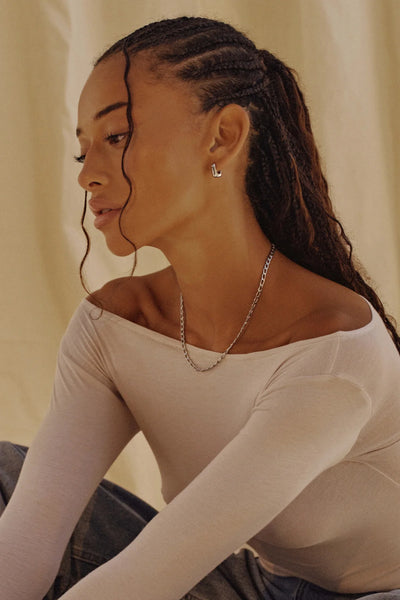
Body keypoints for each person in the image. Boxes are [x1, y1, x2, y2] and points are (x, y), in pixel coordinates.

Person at [0, 14, 399, 600]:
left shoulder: (332, 351)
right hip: (260, 585)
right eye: (82, 151)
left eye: (117, 137)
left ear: (223, 137)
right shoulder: (116, 328)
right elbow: (24, 548)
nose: (87, 176)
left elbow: (140, 585)